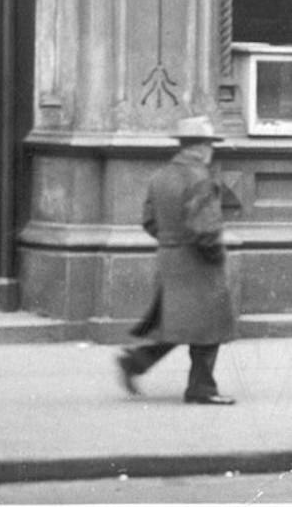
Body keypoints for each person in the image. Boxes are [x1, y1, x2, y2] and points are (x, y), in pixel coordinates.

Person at [116, 114, 238, 405]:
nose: (211, 151)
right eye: (210, 145)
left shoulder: (161, 176)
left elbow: (149, 221)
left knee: (177, 322)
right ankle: (201, 389)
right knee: (209, 327)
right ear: (201, 147)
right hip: (199, 262)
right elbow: (206, 229)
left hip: (170, 259)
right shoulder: (201, 179)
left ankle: (135, 362)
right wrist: (216, 255)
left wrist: (171, 241)